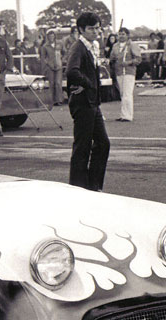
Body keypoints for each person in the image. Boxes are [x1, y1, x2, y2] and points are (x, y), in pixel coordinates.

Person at [66, 12, 110, 192]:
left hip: (92, 102)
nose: (96, 31)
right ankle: (78, 187)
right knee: (82, 147)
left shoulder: (92, 46)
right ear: (81, 30)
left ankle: (93, 185)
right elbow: (72, 71)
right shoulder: (79, 47)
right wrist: (87, 84)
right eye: (91, 28)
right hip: (83, 103)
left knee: (103, 143)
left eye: (97, 28)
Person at [110, 27, 141, 122]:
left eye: (123, 34)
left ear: (127, 35)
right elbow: (112, 57)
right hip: (118, 72)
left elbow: (138, 59)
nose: (121, 36)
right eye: (119, 34)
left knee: (127, 94)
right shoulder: (115, 46)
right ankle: (123, 114)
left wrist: (128, 62)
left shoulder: (132, 45)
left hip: (129, 72)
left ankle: (128, 116)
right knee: (122, 94)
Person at [40, 29, 64, 107]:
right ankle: (52, 100)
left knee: (58, 83)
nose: (51, 38)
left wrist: (62, 59)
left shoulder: (59, 44)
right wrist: (48, 63)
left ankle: (59, 100)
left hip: (59, 65)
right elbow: (43, 57)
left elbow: (65, 52)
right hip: (50, 67)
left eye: (52, 36)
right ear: (47, 37)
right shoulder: (45, 46)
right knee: (52, 83)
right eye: (50, 36)